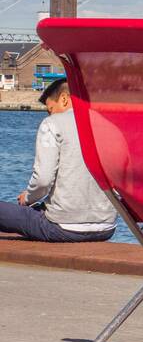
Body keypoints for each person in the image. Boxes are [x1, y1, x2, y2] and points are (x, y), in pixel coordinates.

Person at [0, 77, 117, 242]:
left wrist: (28, 198)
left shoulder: (52, 124)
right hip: (106, 228)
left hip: (62, 228)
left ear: (64, 99)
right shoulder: (109, 125)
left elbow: (43, 180)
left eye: (50, 109)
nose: (50, 114)